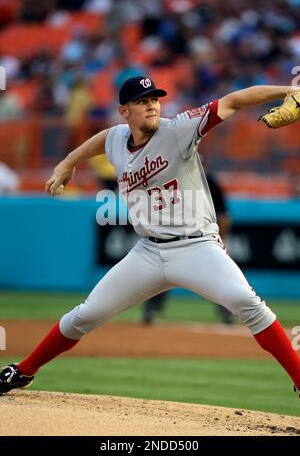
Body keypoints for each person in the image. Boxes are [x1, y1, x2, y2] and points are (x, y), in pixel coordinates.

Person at [1, 76, 300, 399]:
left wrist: (290, 91)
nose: (152, 106)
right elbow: (104, 138)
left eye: (154, 99)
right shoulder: (118, 137)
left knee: (248, 305)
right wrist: (68, 163)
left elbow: (234, 100)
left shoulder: (178, 129)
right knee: (86, 314)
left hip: (196, 247)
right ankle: (24, 371)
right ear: (124, 111)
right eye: (143, 101)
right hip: (147, 253)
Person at [141, 169, 234, 325]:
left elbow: (224, 216)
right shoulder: (174, 179)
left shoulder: (210, 183)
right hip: (176, 238)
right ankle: (151, 310)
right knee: (161, 273)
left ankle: (227, 312)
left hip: (204, 239)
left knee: (219, 275)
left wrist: (223, 240)